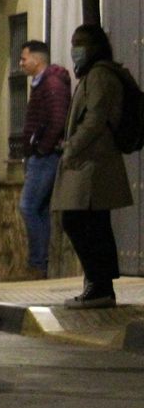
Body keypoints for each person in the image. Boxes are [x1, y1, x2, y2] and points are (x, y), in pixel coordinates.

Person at [52, 24, 133, 309]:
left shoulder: (99, 75)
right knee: (93, 224)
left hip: (92, 162)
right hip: (91, 161)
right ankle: (100, 285)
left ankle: (99, 285)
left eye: (81, 42)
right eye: (74, 42)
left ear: (95, 45)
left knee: (78, 221)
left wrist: (72, 146)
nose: (75, 48)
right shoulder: (94, 74)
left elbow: (96, 118)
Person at [18, 39, 71, 277]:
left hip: (45, 156)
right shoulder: (42, 85)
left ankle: (38, 263)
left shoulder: (51, 84)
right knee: (37, 209)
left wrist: (41, 148)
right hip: (39, 154)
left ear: (37, 60)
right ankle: (40, 263)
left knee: (28, 206)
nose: (21, 63)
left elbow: (57, 120)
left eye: (24, 58)